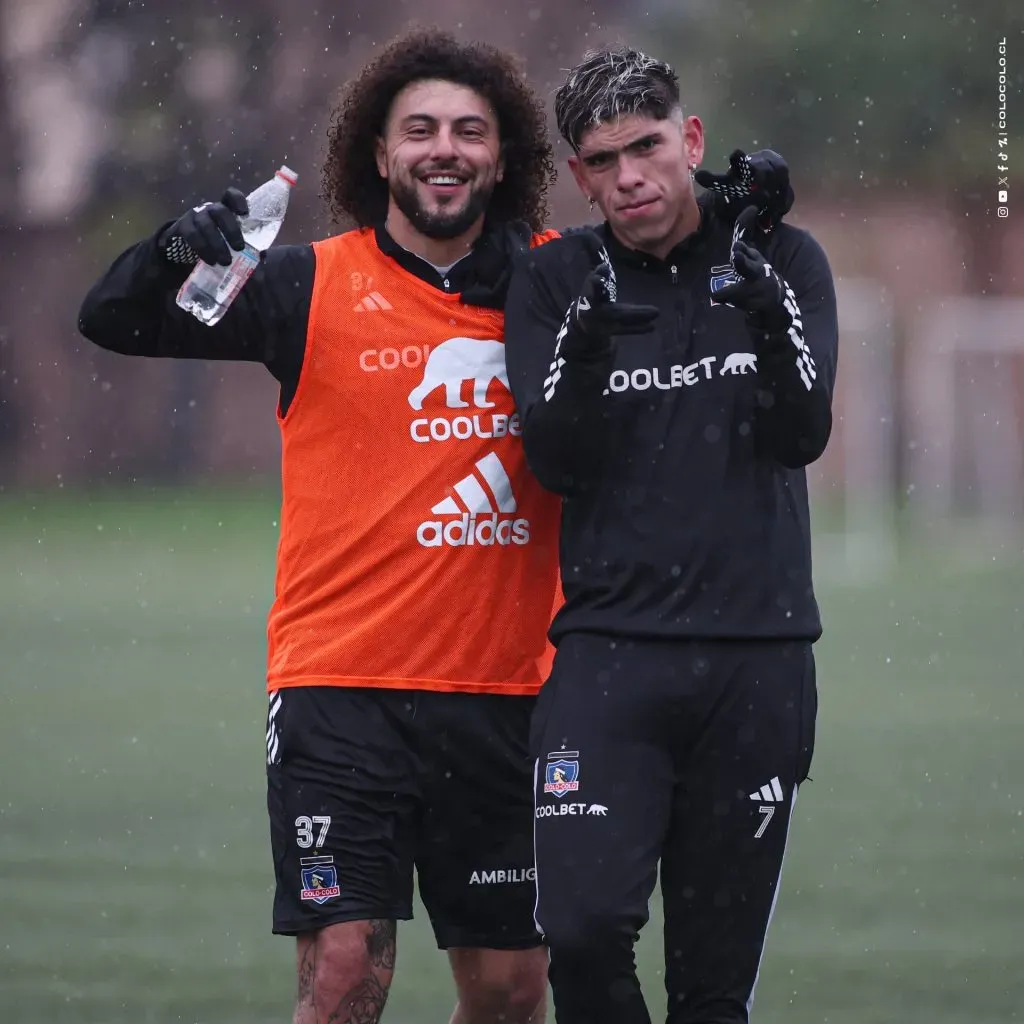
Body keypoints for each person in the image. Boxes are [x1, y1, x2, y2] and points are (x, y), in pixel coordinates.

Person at [77, 29, 563, 1024]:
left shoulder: (558, 286)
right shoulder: (306, 285)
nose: (445, 147)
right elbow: (111, 318)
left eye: (470, 131)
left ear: (502, 157)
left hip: (513, 693)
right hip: (341, 694)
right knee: (343, 976)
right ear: (378, 154)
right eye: (418, 128)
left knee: (512, 993)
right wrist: (176, 245)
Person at [504, 46, 837, 1024]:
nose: (628, 176)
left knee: (710, 988)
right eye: (601, 161)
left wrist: (768, 318)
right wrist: (590, 342)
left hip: (758, 661)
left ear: (689, 140)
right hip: (610, 658)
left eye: (646, 147)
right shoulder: (557, 281)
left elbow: (801, 432)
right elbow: (555, 462)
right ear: (577, 176)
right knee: (580, 930)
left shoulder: (780, 255)